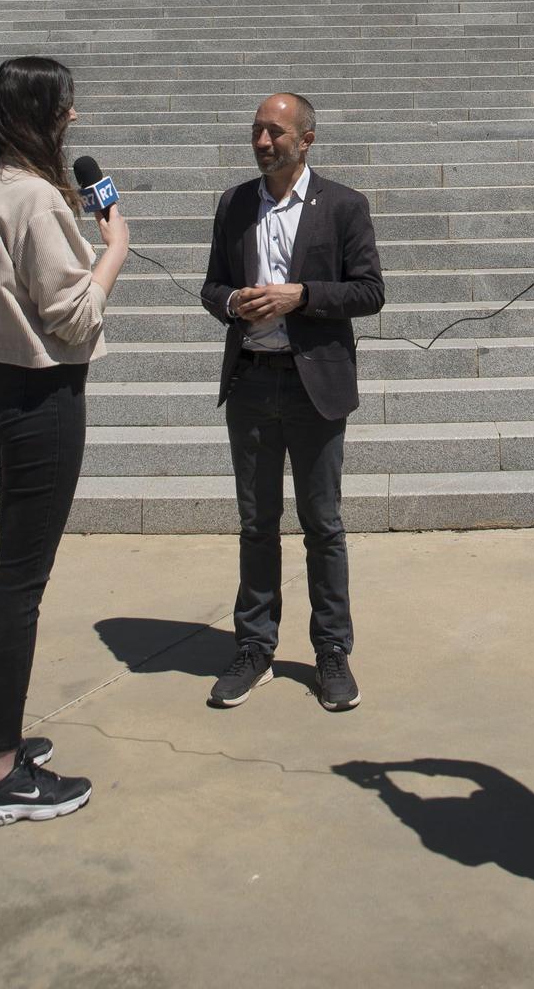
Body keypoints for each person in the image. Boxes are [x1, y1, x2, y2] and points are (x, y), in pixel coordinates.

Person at [0, 56, 129, 827]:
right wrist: (114, 246)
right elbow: (74, 316)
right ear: (40, 113)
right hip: (42, 393)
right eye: (66, 106)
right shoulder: (35, 199)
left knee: (8, 571)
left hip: (0, 382)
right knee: (23, 582)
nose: (74, 119)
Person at [200, 92, 385, 713]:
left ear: (306, 140)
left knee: (323, 525)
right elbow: (212, 286)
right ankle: (254, 646)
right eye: (256, 131)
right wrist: (234, 304)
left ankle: (332, 651)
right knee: (256, 524)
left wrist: (299, 296)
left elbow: (369, 291)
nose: (261, 142)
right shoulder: (233, 205)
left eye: (274, 132)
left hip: (315, 386)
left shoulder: (344, 206)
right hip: (252, 381)